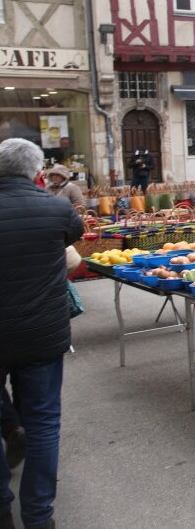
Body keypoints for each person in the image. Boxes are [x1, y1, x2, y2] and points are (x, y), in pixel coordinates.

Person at [0, 138, 84, 529]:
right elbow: (72, 239)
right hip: (41, 335)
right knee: (44, 422)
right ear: (38, 173)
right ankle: (38, 515)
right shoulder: (56, 208)